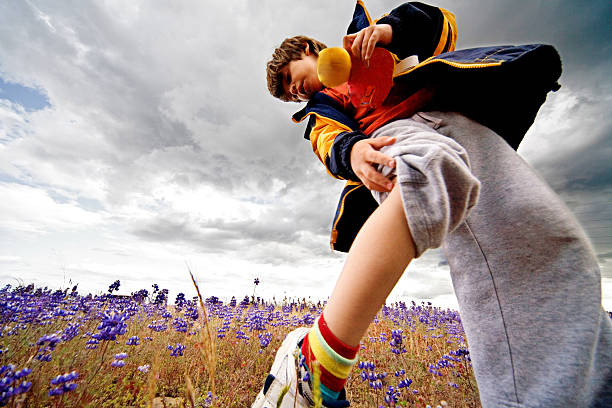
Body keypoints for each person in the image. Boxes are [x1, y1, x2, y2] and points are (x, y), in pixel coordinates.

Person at [254, 2, 612, 407]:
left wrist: (389, 31)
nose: (294, 92)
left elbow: (441, 27)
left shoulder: (365, 39)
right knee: (428, 174)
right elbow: (328, 140)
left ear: (305, 49)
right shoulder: (322, 110)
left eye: (289, 79)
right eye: (288, 95)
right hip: (394, 137)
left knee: (551, 240)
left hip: (464, 127)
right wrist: (353, 152)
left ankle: (596, 386)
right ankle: (318, 363)